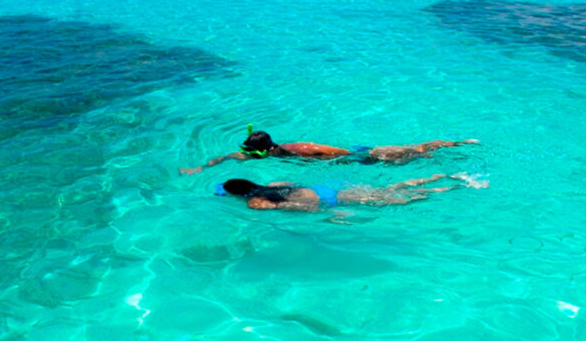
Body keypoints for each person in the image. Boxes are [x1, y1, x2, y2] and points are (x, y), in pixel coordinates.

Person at [179, 127, 479, 174]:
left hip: (356, 155)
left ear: (265, 148)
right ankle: (442, 151)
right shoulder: (266, 153)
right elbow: (228, 157)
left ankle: (456, 143)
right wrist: (200, 168)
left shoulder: (299, 149)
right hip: (349, 162)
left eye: (252, 152)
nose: (248, 155)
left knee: (410, 153)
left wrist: (351, 157)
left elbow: (333, 150)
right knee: (409, 157)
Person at [214, 173, 487, 212]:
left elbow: (284, 208)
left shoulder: (257, 201)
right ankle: (445, 176)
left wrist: (331, 215)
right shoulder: (267, 187)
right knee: (390, 189)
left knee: (395, 202)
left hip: (328, 200)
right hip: (325, 189)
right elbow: (288, 181)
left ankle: (454, 187)